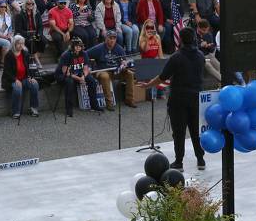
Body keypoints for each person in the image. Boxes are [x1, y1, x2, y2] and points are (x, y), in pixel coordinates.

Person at [139, 26, 206, 171]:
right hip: (196, 98)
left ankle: (179, 162)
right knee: (196, 131)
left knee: (179, 131)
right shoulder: (200, 55)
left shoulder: (177, 57)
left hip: (179, 100)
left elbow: (162, 77)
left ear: (180, 40)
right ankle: (200, 159)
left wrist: (148, 85)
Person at [86, 30, 136, 110]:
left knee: (130, 74)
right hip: (102, 70)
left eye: (114, 38)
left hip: (116, 70)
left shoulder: (119, 48)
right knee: (105, 77)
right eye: (110, 38)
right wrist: (87, 66)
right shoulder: (99, 48)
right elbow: (85, 54)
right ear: (106, 38)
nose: (112, 40)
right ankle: (109, 103)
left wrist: (124, 64)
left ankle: (130, 100)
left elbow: (123, 60)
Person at [57, 38, 103, 117]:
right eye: (76, 46)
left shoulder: (84, 53)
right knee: (70, 83)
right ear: (72, 46)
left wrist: (83, 76)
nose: (78, 48)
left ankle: (94, 105)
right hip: (64, 75)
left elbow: (86, 68)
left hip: (79, 73)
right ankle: (69, 109)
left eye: (80, 46)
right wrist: (79, 79)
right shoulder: (66, 55)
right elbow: (66, 72)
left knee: (92, 81)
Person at [2, 34, 40, 118]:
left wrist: (31, 77)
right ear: (14, 44)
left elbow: (30, 67)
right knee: (17, 88)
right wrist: (15, 80)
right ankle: (15, 111)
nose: (21, 45)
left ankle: (33, 108)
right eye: (18, 43)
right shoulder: (9, 55)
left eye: (22, 43)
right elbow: (7, 72)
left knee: (34, 84)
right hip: (11, 79)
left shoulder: (25, 53)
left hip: (24, 78)